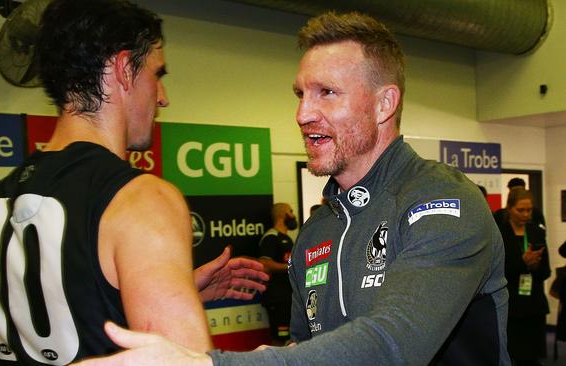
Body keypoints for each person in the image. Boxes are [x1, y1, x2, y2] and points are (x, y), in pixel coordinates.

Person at [72, 11, 510, 366]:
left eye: (326, 93)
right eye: (300, 93)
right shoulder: (318, 230)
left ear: (384, 104)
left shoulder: (441, 202)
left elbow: (394, 345)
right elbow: (307, 348)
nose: (303, 114)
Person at [0, 0, 267, 364]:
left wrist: (167, 289)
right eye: (158, 75)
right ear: (125, 69)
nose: (163, 98)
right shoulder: (141, 198)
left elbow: (66, 319)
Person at [497, 187, 550, 365]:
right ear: (509, 208)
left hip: (533, 303)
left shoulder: (537, 232)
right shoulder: (500, 233)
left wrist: (534, 266)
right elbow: (497, 272)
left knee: (532, 356)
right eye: (521, 210)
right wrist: (523, 263)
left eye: (529, 210)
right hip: (511, 303)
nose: (526, 214)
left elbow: (546, 272)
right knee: (512, 354)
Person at [258, 203, 297, 345]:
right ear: (282, 214)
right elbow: (264, 264)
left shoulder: (288, 238)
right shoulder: (271, 237)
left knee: (290, 337)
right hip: (277, 297)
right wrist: (290, 267)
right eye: (290, 211)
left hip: (288, 297)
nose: (293, 215)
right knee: (280, 338)